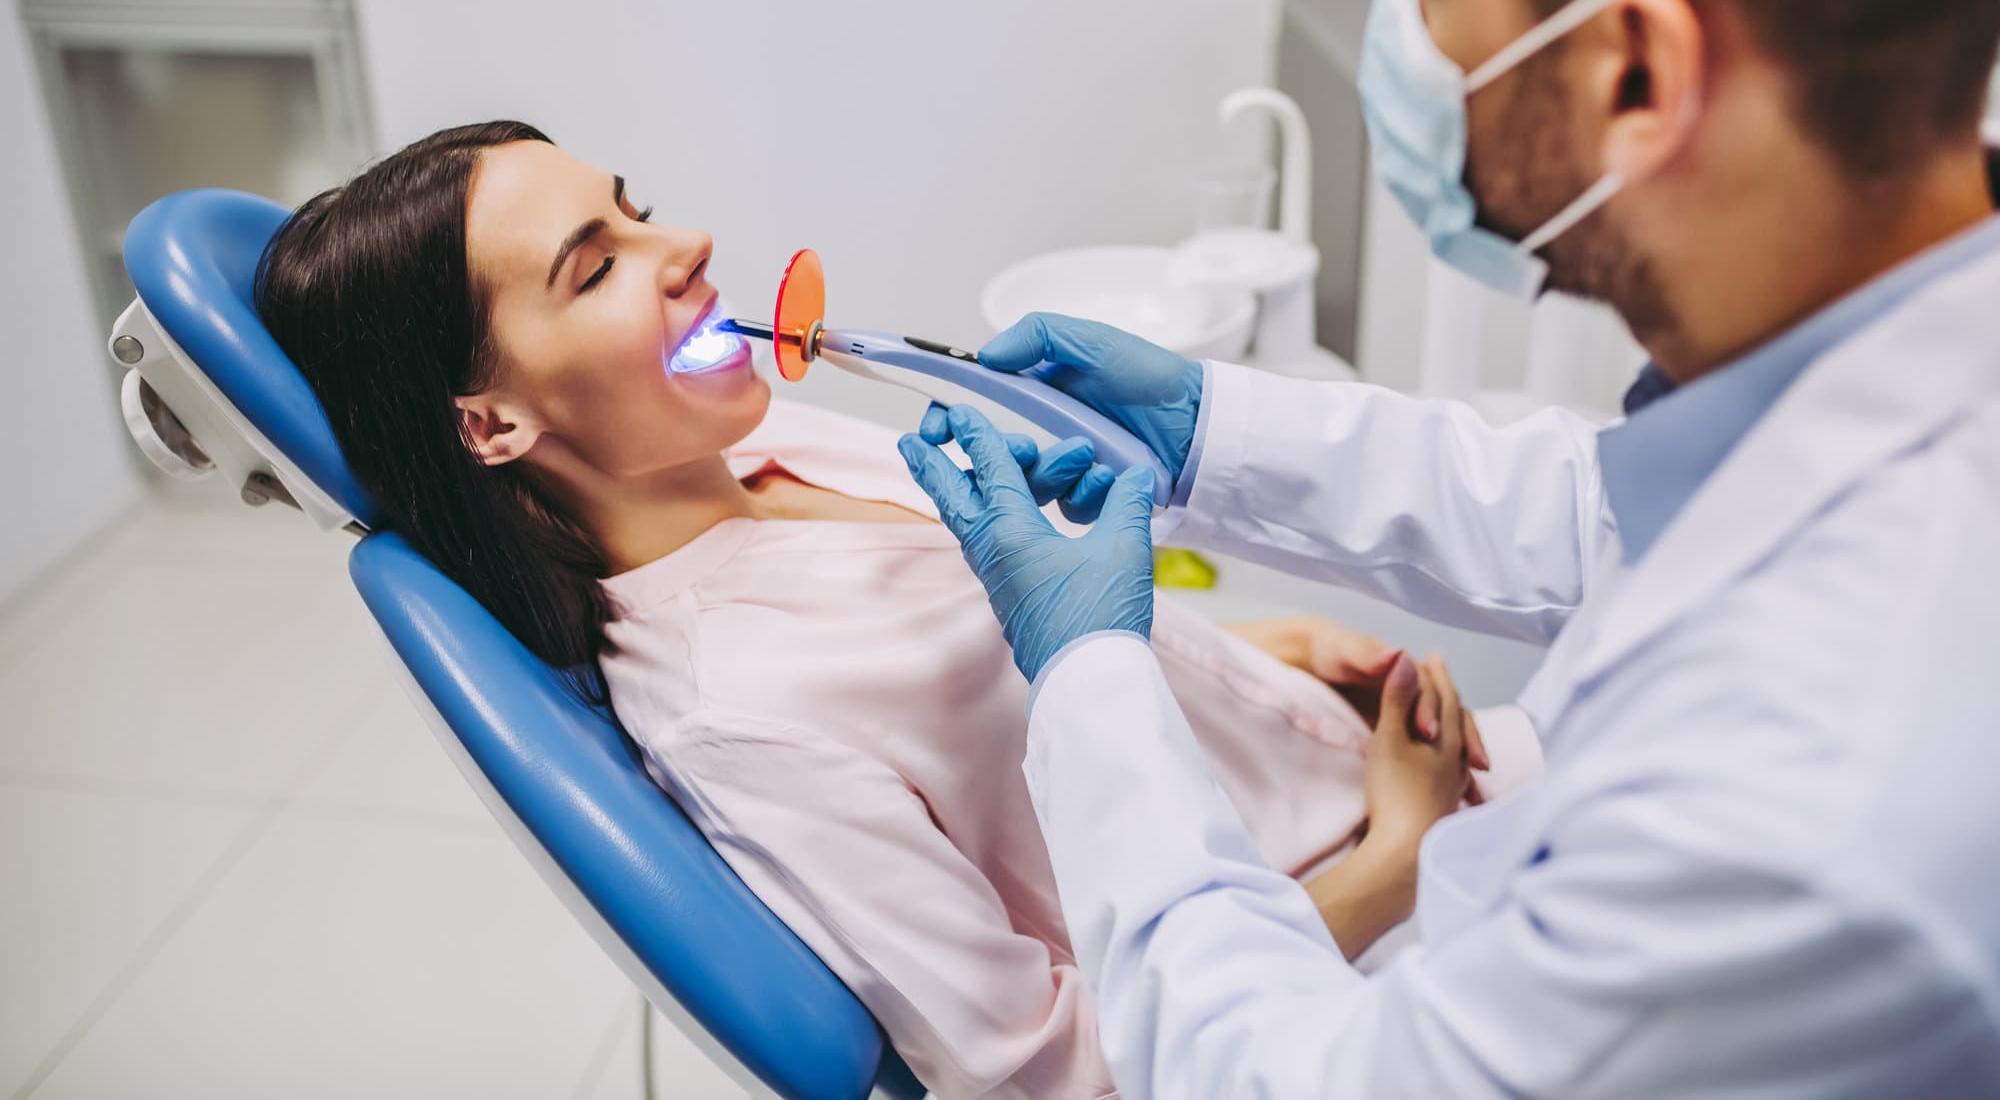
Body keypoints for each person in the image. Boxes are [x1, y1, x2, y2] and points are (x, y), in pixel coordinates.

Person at [899, 0, 2000, 1095]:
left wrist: (1088, 674)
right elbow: (1611, 513)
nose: (1400, 22)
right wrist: (1208, 432)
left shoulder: (1803, 797)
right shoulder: (1884, 348)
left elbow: (1292, 1078)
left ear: (1633, 69)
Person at [255, 121, 1539, 1099]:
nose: (686, 244)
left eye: (634, 211)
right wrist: (1399, 858)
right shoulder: (732, 714)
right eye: (597, 268)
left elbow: (1022, 687)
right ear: (491, 423)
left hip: (1360, 776)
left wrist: (1272, 656)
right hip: (1330, 976)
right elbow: (1043, 1069)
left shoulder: (771, 449)